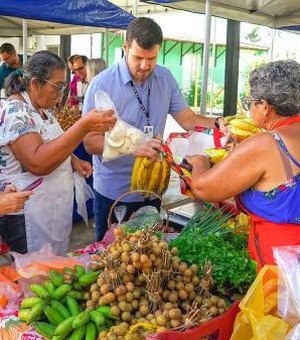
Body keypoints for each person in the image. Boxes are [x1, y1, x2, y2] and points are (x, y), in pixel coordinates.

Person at [82, 17, 225, 242]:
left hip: (153, 188)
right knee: (113, 259)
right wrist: (133, 146)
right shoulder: (102, 85)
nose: (145, 66)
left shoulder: (165, 77)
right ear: (125, 47)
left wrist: (217, 122)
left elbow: (188, 119)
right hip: (114, 192)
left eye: (152, 58)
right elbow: (90, 143)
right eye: (138, 57)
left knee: (150, 258)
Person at [186, 59, 300, 271]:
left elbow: (203, 188)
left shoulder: (266, 144)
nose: (249, 109)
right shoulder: (269, 143)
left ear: (265, 107)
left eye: (251, 103)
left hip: (281, 272)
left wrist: (200, 163)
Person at [0, 50, 116, 254]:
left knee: (52, 270)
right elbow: (37, 162)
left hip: (49, 210)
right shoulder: (16, 112)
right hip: (28, 216)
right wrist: (82, 127)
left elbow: (51, 141)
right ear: (35, 84)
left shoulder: (42, 109)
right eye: (58, 86)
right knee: (34, 275)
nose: (61, 94)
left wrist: (73, 160)